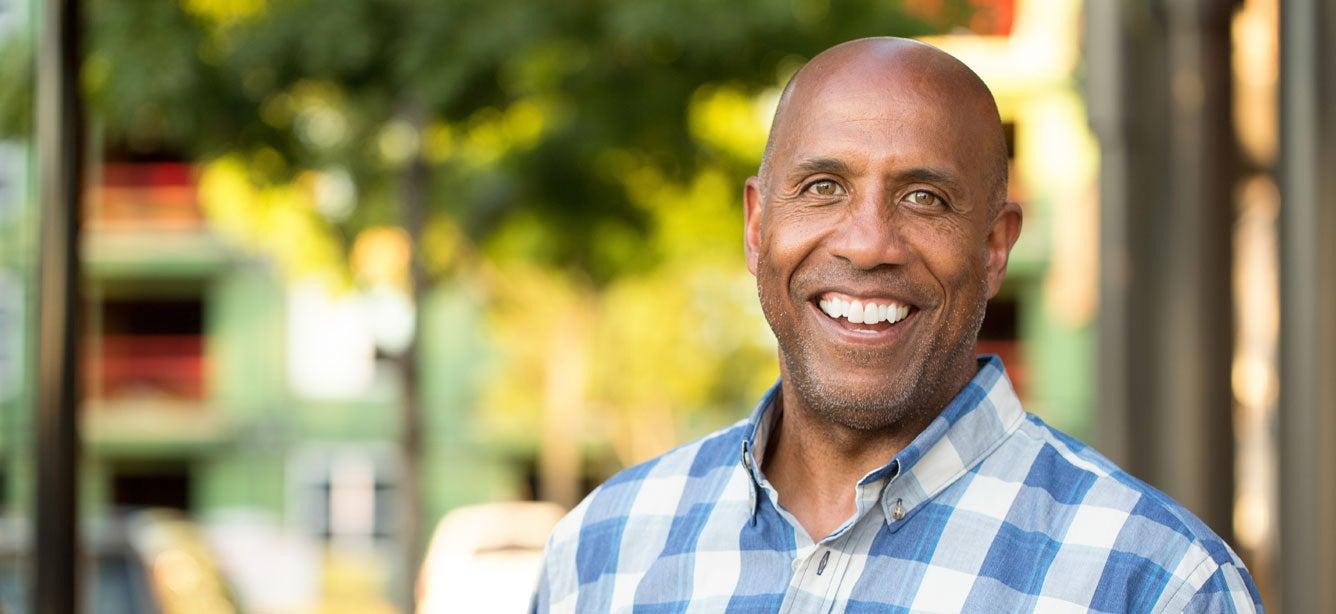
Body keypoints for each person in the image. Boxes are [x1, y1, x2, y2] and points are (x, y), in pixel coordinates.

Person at [532, 37, 1261, 612]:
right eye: (823, 187)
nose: (868, 244)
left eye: (924, 198)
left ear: (995, 246)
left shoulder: (1156, 583)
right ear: (757, 225)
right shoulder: (603, 551)